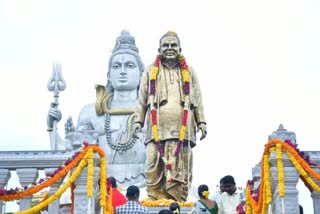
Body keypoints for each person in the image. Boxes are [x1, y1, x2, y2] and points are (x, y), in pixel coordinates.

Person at [47, 30, 147, 188]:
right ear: (109, 75)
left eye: (129, 66)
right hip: (98, 188)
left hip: (146, 189)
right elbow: (71, 153)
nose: (122, 71)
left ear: (141, 74)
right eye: (116, 66)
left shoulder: (153, 112)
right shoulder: (90, 113)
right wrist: (52, 128)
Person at [133, 31, 207, 201]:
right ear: (159, 49)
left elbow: (197, 98)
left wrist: (201, 121)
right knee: (152, 161)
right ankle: (154, 199)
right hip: (156, 127)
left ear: (179, 48)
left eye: (173, 45)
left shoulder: (189, 72)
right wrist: (138, 120)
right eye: (166, 45)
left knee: (181, 163)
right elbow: (142, 97)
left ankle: (177, 201)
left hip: (183, 128)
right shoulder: (150, 70)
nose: (169, 48)